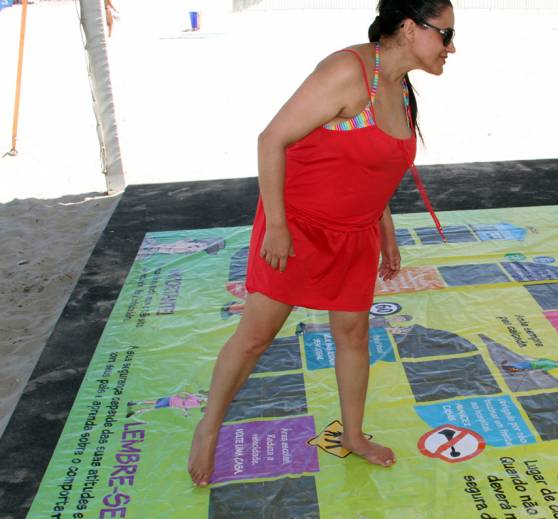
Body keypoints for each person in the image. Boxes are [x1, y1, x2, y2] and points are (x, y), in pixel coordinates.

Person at [187, 0, 456, 487]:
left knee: (353, 335)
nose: (451, 48)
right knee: (256, 337)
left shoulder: (401, 86)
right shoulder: (347, 72)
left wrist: (385, 227)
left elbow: (372, 167)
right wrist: (277, 227)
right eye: (446, 34)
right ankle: (208, 427)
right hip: (298, 228)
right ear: (410, 28)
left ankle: (352, 434)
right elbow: (271, 139)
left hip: (355, 234)